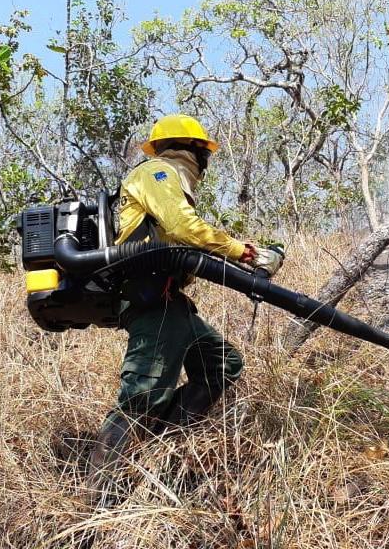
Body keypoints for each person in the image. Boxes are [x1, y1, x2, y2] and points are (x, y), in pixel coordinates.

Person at [87, 114, 282, 505]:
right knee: (142, 397)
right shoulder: (156, 172)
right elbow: (183, 229)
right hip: (150, 302)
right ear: (195, 150)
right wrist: (246, 251)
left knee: (221, 364)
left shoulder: (170, 182)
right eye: (204, 152)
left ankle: (160, 454)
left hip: (171, 304)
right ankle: (97, 501)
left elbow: (181, 241)